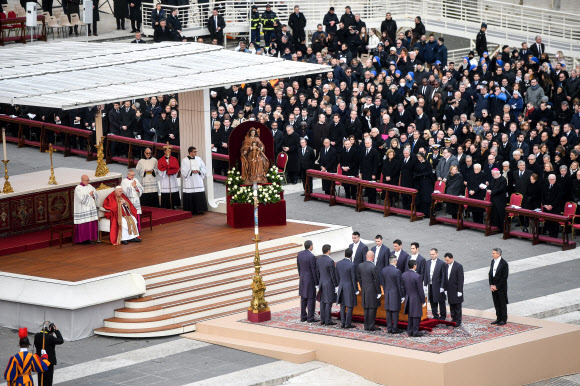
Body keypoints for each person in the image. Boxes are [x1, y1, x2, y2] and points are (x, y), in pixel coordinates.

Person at [357, 251, 381, 331]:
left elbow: (359, 278)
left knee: (366, 308)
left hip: (364, 289)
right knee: (372, 308)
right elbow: (376, 281)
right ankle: (371, 326)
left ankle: (366, 325)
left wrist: (362, 286)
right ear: (373, 256)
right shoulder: (373, 267)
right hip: (372, 290)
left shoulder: (360, 265)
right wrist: (379, 292)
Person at [401, 260, 426, 337]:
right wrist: (423, 300)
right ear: (415, 266)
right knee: (416, 316)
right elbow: (420, 290)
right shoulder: (417, 276)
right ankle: (415, 332)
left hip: (408, 297)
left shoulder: (404, 275)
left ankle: (410, 331)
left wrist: (403, 296)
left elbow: (402, 287)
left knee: (410, 316)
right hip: (416, 299)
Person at [380, 255, 404, 334]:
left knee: (388, 311)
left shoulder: (384, 270)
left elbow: (382, 282)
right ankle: (394, 328)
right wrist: (402, 295)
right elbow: (399, 285)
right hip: (395, 294)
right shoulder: (397, 271)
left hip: (387, 292)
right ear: (395, 261)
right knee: (395, 311)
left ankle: (389, 328)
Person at [181, 146, 208, 215]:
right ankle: (190, 210)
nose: (196, 153)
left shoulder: (199, 159)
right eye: (194, 151)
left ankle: (200, 209)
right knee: (190, 193)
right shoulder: (184, 160)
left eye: (196, 151)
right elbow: (183, 171)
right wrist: (191, 171)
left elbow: (204, 167)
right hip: (189, 181)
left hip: (198, 180)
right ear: (190, 152)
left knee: (198, 193)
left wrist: (199, 171)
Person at [316, 244, 338, 325]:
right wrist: (336, 285)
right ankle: (328, 320)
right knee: (328, 302)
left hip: (321, 282)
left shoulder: (318, 260)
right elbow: (333, 275)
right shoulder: (330, 261)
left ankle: (322, 320)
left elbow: (317, 273)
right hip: (329, 284)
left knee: (322, 302)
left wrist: (319, 282)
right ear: (328, 250)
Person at [297, 240, 318, 323]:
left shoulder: (300, 254)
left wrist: (301, 276)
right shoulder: (312, 256)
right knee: (311, 299)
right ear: (310, 246)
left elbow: (298, 266)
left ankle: (303, 317)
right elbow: (314, 270)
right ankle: (310, 318)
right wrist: (316, 283)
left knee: (303, 298)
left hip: (302, 278)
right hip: (310, 280)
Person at [73, 175, 98, 244]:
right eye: (86, 180)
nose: (88, 181)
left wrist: (94, 194)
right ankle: (83, 240)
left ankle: (90, 238)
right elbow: (81, 198)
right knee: (84, 224)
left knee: (90, 223)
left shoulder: (90, 186)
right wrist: (89, 195)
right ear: (82, 180)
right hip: (82, 208)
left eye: (88, 180)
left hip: (90, 208)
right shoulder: (78, 188)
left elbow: (95, 192)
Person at [336, 248, 357, 329]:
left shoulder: (338, 263)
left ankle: (342, 322)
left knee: (342, 306)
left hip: (341, 286)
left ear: (344, 254)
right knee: (350, 306)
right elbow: (353, 278)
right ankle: (347, 324)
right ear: (351, 255)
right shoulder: (352, 265)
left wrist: (339, 284)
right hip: (349, 288)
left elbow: (337, 276)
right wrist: (356, 290)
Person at [424, 248, 447, 320]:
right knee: (432, 300)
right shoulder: (427, 262)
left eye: (433, 254)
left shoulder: (442, 263)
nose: (432, 256)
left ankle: (443, 316)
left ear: (437, 254)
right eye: (430, 254)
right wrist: (425, 284)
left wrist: (442, 286)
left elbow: (444, 276)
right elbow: (425, 274)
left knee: (441, 301)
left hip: (439, 285)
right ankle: (435, 315)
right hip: (430, 285)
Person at [489, 248, 509, 325]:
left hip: (501, 287)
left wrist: (497, 286)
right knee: (496, 303)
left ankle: (503, 319)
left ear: (498, 254)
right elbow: (490, 273)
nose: (492, 254)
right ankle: (498, 318)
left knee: (502, 303)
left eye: (493, 253)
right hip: (493, 286)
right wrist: (491, 285)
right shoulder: (492, 261)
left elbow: (504, 277)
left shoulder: (504, 264)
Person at [444, 253, 464, 327]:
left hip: (456, 289)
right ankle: (453, 318)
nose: (447, 262)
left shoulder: (458, 266)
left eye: (448, 260)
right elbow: (445, 278)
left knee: (457, 306)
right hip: (449, 290)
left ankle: (458, 320)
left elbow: (461, 279)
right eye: (446, 260)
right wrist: (445, 288)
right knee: (451, 304)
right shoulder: (446, 266)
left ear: (452, 258)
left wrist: (460, 290)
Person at [157, 144, 180, 209]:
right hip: (165, 178)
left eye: (170, 151)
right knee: (166, 191)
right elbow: (160, 169)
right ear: (164, 151)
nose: (168, 153)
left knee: (173, 190)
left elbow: (177, 168)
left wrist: (172, 172)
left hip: (172, 178)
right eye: (167, 151)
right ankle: (166, 205)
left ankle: (174, 205)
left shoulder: (174, 159)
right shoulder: (161, 160)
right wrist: (166, 171)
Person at [359, 137, 381, 204]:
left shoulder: (375, 151)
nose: (367, 144)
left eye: (368, 143)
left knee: (372, 189)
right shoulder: (363, 150)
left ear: (371, 143)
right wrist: (361, 172)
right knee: (367, 188)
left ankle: (373, 202)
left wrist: (374, 174)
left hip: (371, 173)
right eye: (365, 143)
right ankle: (369, 202)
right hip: (365, 172)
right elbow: (361, 162)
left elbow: (376, 164)